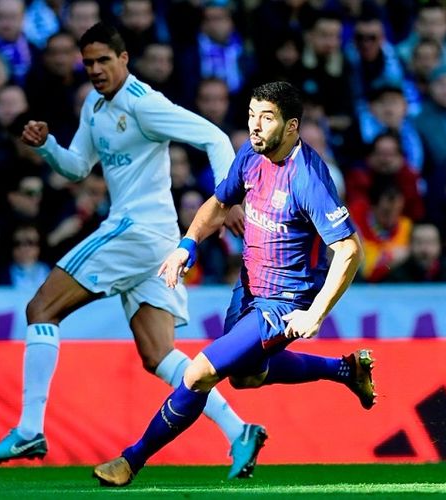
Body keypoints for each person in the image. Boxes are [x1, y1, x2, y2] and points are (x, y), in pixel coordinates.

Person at [0, 23, 265, 480]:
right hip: (155, 242)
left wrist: (227, 199)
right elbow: (77, 168)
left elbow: (212, 136)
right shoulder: (94, 105)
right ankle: (239, 431)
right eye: (87, 62)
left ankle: (30, 428)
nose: (94, 70)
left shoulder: (144, 103)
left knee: (41, 307)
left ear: (124, 59)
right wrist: (48, 146)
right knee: (159, 356)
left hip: (136, 231)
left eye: (103, 61)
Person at [92, 81, 376, 487]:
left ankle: (130, 461)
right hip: (248, 287)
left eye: (266, 118)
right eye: (251, 115)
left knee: (199, 374)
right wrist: (186, 245)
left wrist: (315, 313)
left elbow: (349, 249)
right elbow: (220, 203)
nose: (255, 126)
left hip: (283, 303)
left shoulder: (309, 178)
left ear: (292, 126)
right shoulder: (251, 153)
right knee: (247, 377)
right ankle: (344, 371)